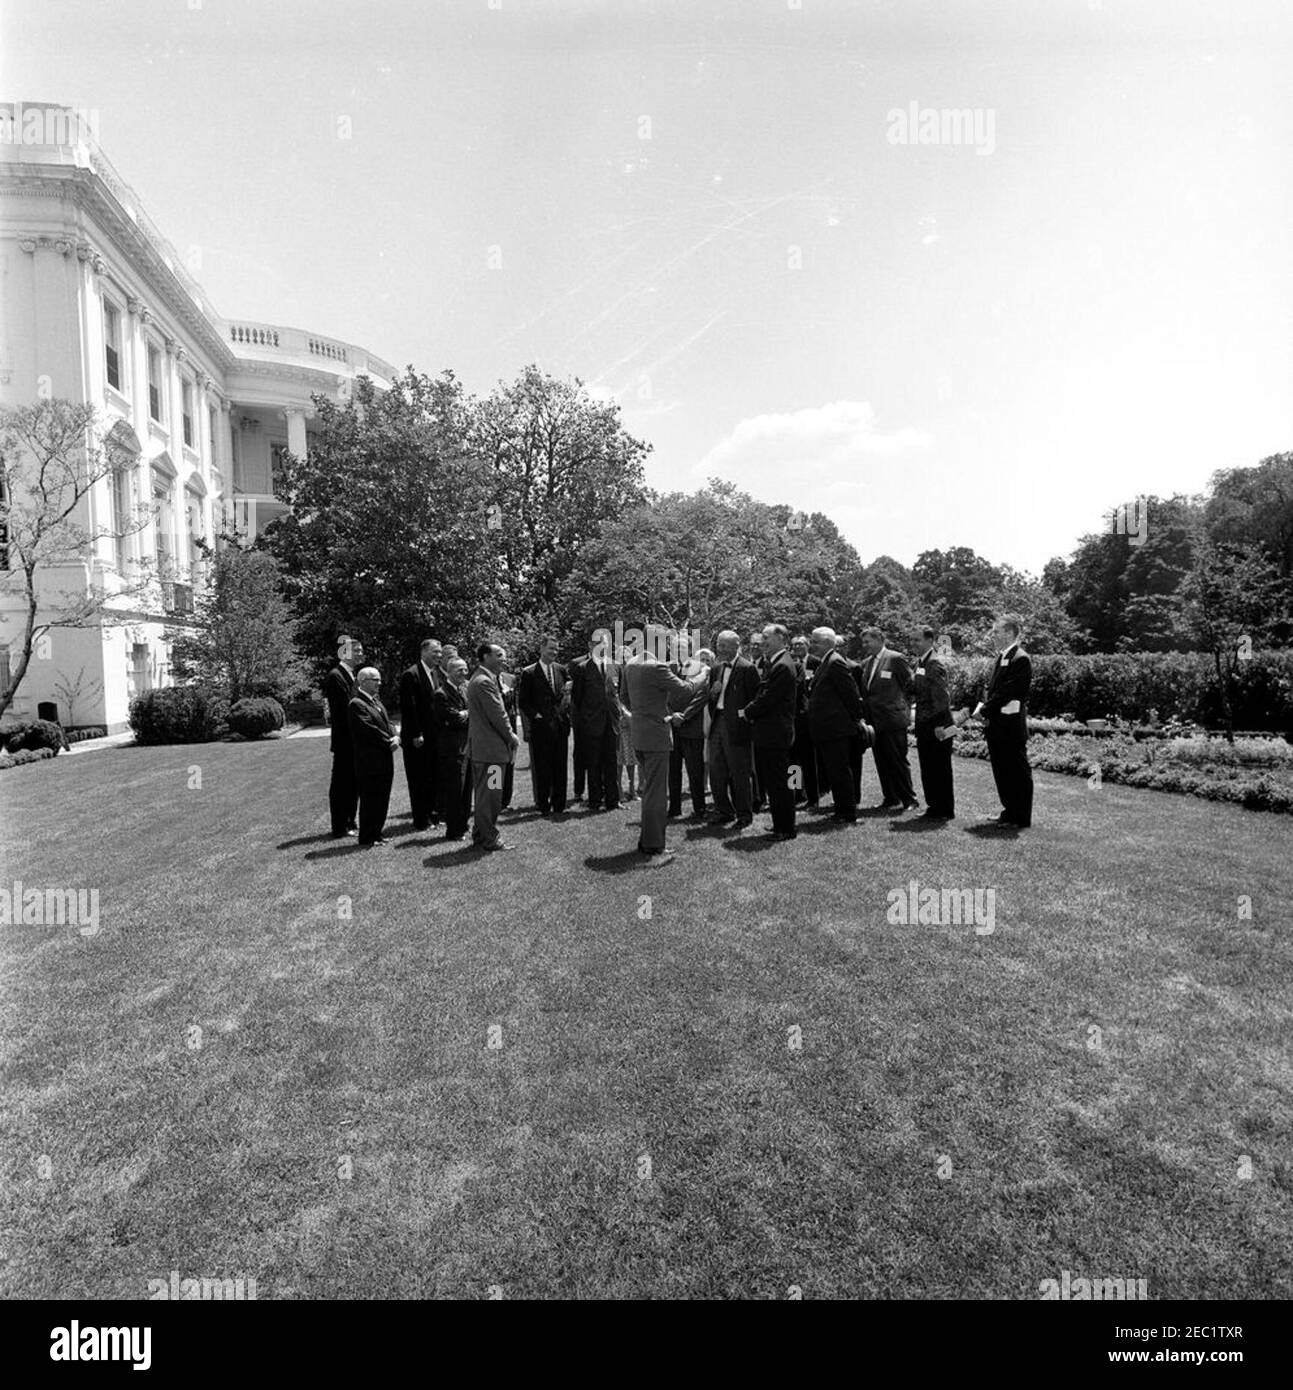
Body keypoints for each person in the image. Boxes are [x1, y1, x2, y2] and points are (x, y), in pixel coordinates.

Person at [621, 644, 710, 865]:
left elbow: (624, 697)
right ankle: (653, 844)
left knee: (651, 789)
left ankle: (647, 841)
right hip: (656, 737)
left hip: (640, 735)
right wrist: (704, 673)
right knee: (656, 793)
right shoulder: (657, 667)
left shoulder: (631, 665)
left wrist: (651, 713)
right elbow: (686, 688)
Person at [738, 623, 798, 840]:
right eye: (762, 638)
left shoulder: (782, 665)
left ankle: (786, 829)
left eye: (767, 638)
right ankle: (780, 824)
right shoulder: (776, 663)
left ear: (782, 639)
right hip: (770, 732)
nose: (762, 642)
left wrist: (747, 711)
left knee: (780, 783)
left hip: (775, 733)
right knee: (775, 783)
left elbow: (769, 698)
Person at [976, 615, 1033, 827]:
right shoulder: (1000, 657)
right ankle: (1009, 811)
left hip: (1010, 727)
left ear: (1009, 633)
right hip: (998, 726)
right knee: (1002, 772)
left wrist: (985, 710)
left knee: (1017, 772)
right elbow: (994, 691)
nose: (993, 636)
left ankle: (1020, 817)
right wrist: (985, 708)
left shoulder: (1021, 658)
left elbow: (1010, 691)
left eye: (996, 632)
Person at [807, 627, 866, 824]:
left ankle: (847, 813)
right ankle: (841, 809)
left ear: (826, 643)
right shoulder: (826, 662)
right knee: (835, 771)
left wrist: (856, 720)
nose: (811, 644)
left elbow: (851, 694)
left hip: (836, 729)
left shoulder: (835, 663)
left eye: (815, 641)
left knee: (840, 771)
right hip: (827, 728)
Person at [859, 627, 919, 812]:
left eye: (868, 641)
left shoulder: (895, 659)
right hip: (875, 721)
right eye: (864, 642)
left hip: (893, 720)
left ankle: (909, 799)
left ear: (879, 639)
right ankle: (890, 798)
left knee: (897, 760)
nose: (865, 645)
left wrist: (901, 706)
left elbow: (910, 685)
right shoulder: (867, 663)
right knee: (881, 761)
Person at [467, 642, 519, 851]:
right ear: (485, 656)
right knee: (491, 797)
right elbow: (498, 714)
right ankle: (490, 838)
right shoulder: (483, 682)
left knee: (486, 795)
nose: (503, 659)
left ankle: (480, 834)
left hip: (487, 752)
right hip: (491, 753)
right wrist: (511, 736)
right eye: (499, 655)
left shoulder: (481, 679)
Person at [705, 630, 760, 828]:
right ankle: (723, 811)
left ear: (737, 646)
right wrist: (712, 694)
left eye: (725, 646)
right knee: (716, 770)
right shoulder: (715, 668)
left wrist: (744, 719)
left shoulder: (748, 669)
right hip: (717, 722)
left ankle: (744, 814)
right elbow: (712, 698)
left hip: (737, 727)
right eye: (719, 645)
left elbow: (755, 700)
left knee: (740, 772)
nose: (721, 649)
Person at [569, 632, 622, 812]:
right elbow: (577, 698)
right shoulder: (582, 668)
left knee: (612, 762)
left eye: (605, 643)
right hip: (592, 723)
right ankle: (595, 801)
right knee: (593, 763)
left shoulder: (616, 666)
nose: (602, 646)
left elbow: (618, 693)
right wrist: (586, 718)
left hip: (612, 723)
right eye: (598, 643)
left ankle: (613, 801)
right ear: (591, 645)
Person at [517, 636, 570, 816]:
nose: (554, 653)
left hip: (560, 726)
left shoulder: (561, 670)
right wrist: (536, 716)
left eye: (556, 649)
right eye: (550, 649)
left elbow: (566, 695)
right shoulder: (529, 672)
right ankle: (543, 805)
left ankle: (559, 805)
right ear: (541, 648)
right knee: (542, 768)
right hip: (541, 728)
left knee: (560, 767)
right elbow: (523, 701)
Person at [348, 665, 400, 846]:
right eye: (375, 680)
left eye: (379, 679)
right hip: (369, 761)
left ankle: (377, 833)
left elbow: (388, 723)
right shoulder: (357, 704)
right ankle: (367, 836)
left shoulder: (376, 701)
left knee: (382, 798)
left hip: (384, 759)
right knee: (371, 799)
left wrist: (395, 735)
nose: (379, 683)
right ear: (362, 682)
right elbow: (369, 730)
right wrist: (389, 741)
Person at [398, 638, 443, 831]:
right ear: (424, 652)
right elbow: (410, 708)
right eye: (435, 652)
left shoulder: (436, 674)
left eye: (440, 652)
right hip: (417, 738)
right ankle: (421, 820)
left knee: (433, 778)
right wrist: (416, 734)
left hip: (434, 737)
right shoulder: (411, 674)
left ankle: (434, 815)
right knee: (419, 780)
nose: (439, 655)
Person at [912, 626, 955, 820]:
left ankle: (944, 810)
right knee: (928, 768)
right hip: (924, 724)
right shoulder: (920, 663)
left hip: (937, 725)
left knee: (940, 769)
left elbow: (941, 697)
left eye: (917, 640)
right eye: (911, 640)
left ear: (930, 641)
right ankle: (934, 806)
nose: (913, 644)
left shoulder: (934, 663)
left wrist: (939, 725)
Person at [322, 635, 362, 838]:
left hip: (354, 741)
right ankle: (340, 826)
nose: (361, 654)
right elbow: (343, 711)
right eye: (357, 651)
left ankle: (350, 821)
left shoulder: (352, 676)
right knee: (341, 784)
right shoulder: (336, 676)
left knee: (353, 783)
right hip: (345, 741)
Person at [668, 647, 712, 821]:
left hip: (692, 726)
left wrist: (685, 716)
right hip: (673, 726)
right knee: (673, 771)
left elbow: (703, 695)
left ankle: (699, 809)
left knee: (695, 771)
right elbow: (662, 693)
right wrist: (672, 714)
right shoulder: (667, 668)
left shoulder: (701, 669)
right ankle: (674, 808)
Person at [433, 656, 472, 839]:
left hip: (467, 747)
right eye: (459, 670)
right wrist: (465, 714)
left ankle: (463, 825)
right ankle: (454, 830)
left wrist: (465, 714)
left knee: (466, 790)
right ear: (449, 672)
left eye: (465, 669)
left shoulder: (464, 690)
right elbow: (454, 719)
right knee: (454, 792)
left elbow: (468, 714)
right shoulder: (441, 694)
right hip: (452, 750)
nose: (464, 673)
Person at [789, 634, 819, 809]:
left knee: (808, 760)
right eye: (794, 644)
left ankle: (813, 796)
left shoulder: (816, 662)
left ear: (808, 645)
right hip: (792, 718)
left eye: (800, 643)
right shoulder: (791, 663)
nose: (797, 647)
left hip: (808, 718)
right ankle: (796, 793)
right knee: (792, 760)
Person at [614, 644, 638, 802]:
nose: (624, 660)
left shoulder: (633, 673)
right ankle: (619, 790)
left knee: (632, 757)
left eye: (626, 657)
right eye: (621, 657)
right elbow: (615, 695)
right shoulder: (614, 672)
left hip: (633, 719)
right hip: (619, 718)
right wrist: (623, 713)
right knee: (619, 758)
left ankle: (632, 789)